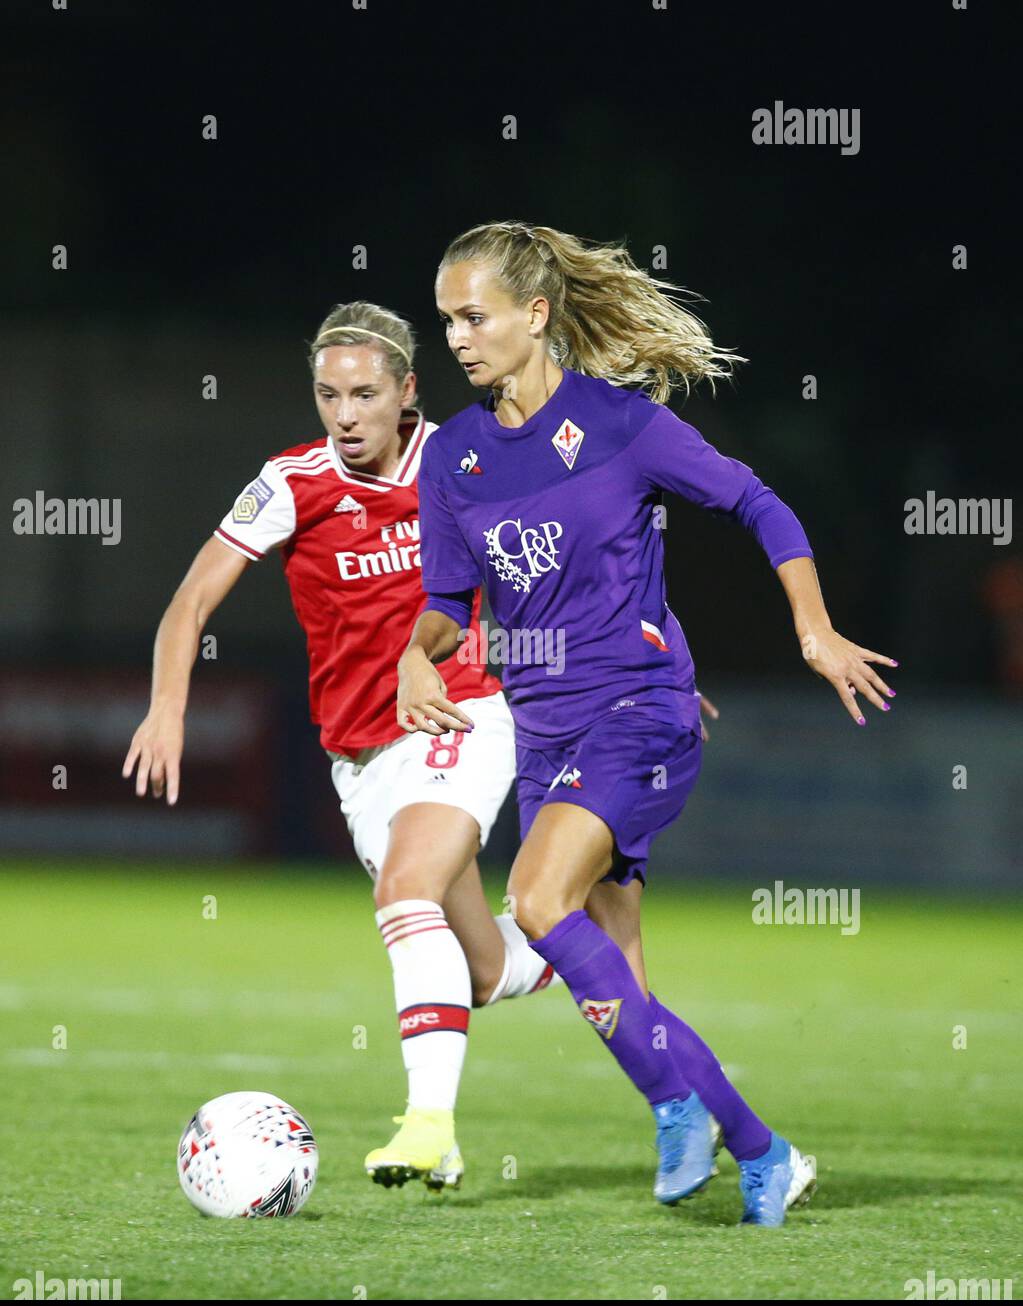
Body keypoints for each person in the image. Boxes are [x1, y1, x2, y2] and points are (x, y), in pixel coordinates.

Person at [398, 222, 897, 1225]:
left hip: (641, 712)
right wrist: (419, 651)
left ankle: (673, 1105)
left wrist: (815, 628)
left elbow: (759, 503)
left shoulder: (619, 424)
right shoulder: (452, 456)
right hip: (547, 732)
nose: (456, 337)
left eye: (475, 315)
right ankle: (765, 1152)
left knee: (537, 901)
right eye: (447, 317)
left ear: (536, 316)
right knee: (620, 986)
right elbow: (448, 602)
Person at [122, 300, 561, 1194]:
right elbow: (188, 605)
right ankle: (578, 925)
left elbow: (573, 563)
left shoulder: (469, 458)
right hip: (359, 757)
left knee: (406, 891)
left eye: (364, 395)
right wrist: (167, 707)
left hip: (463, 713)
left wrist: (640, 657)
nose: (345, 415)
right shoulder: (292, 483)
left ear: (407, 392)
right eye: (328, 396)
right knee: (484, 970)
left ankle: (430, 1124)